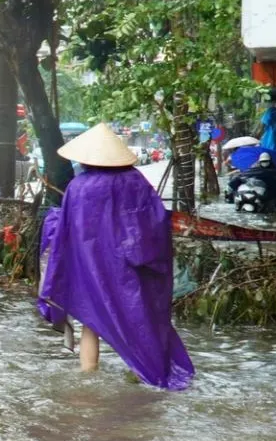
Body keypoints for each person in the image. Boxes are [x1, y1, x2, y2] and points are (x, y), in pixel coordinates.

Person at [37, 123, 194, 390]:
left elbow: (67, 230)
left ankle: (88, 381)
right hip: (130, 268)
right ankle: (144, 374)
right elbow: (153, 223)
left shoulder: (79, 187)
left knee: (90, 320)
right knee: (140, 320)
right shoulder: (136, 182)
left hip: (90, 268)